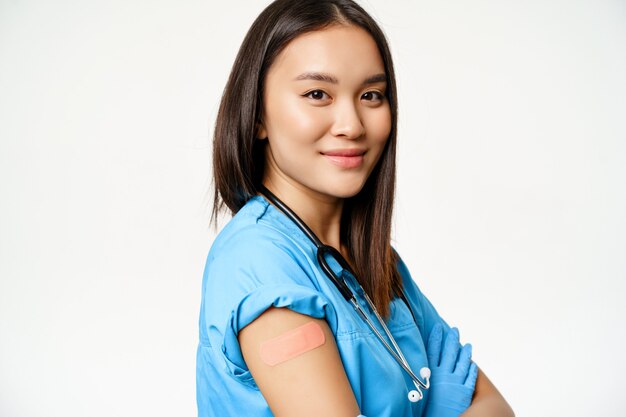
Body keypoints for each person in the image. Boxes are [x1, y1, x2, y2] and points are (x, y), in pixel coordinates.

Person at [196, 1, 514, 416]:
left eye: (370, 95)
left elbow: (497, 409)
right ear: (257, 114)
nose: (352, 124)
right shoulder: (262, 265)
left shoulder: (376, 262)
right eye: (317, 94)